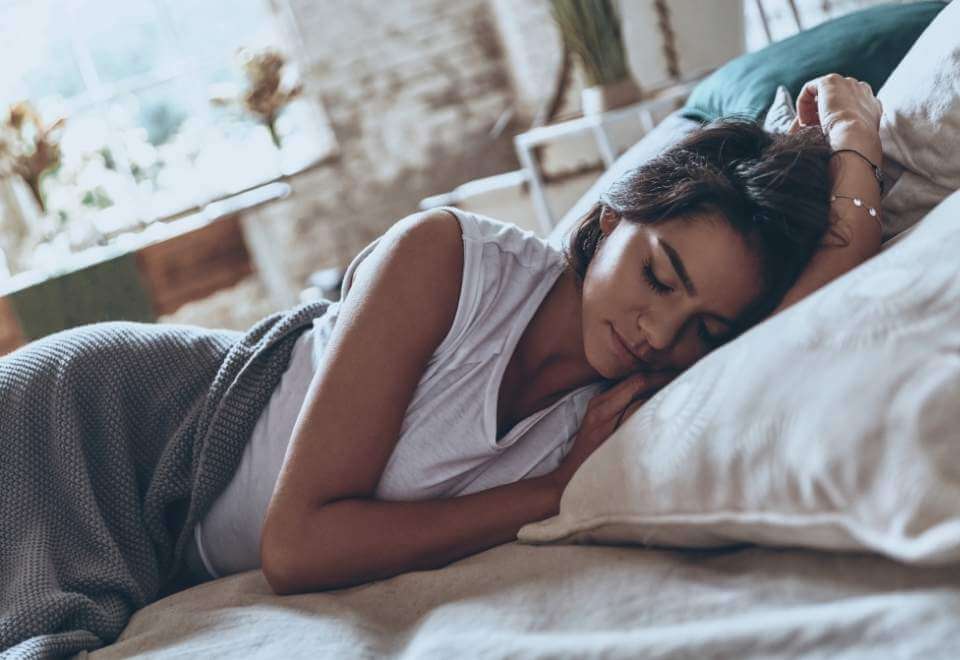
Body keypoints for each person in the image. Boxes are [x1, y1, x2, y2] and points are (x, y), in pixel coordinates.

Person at [177, 74, 884, 596]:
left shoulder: (625, 406)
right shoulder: (445, 260)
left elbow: (808, 315)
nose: (660, 332)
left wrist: (858, 147)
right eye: (660, 278)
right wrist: (550, 492)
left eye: (706, 328)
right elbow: (297, 548)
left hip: (173, 550)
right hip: (129, 431)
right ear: (613, 219)